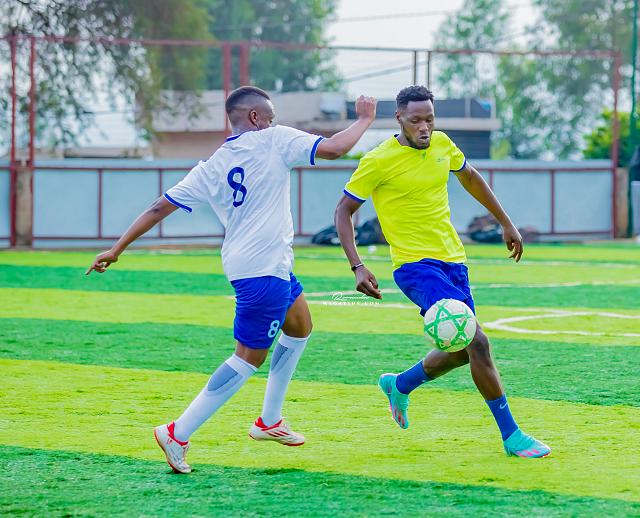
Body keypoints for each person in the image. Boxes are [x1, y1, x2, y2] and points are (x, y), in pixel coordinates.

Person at [87, 86, 378, 473]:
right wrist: (365, 119)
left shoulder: (212, 164)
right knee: (248, 357)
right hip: (262, 270)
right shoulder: (274, 139)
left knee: (300, 327)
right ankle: (178, 432)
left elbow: (159, 207)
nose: (273, 122)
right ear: (255, 118)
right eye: (270, 116)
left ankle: (269, 421)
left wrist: (116, 249)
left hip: (261, 265)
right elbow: (335, 149)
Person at [334, 85, 550, 458]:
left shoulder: (443, 144)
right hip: (415, 267)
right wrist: (357, 264)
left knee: (461, 350)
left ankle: (400, 385)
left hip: (454, 261)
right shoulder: (378, 160)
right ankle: (512, 436)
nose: (424, 127)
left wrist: (505, 222)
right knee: (478, 342)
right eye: (415, 120)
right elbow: (343, 210)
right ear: (399, 118)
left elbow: (471, 177)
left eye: (429, 119)